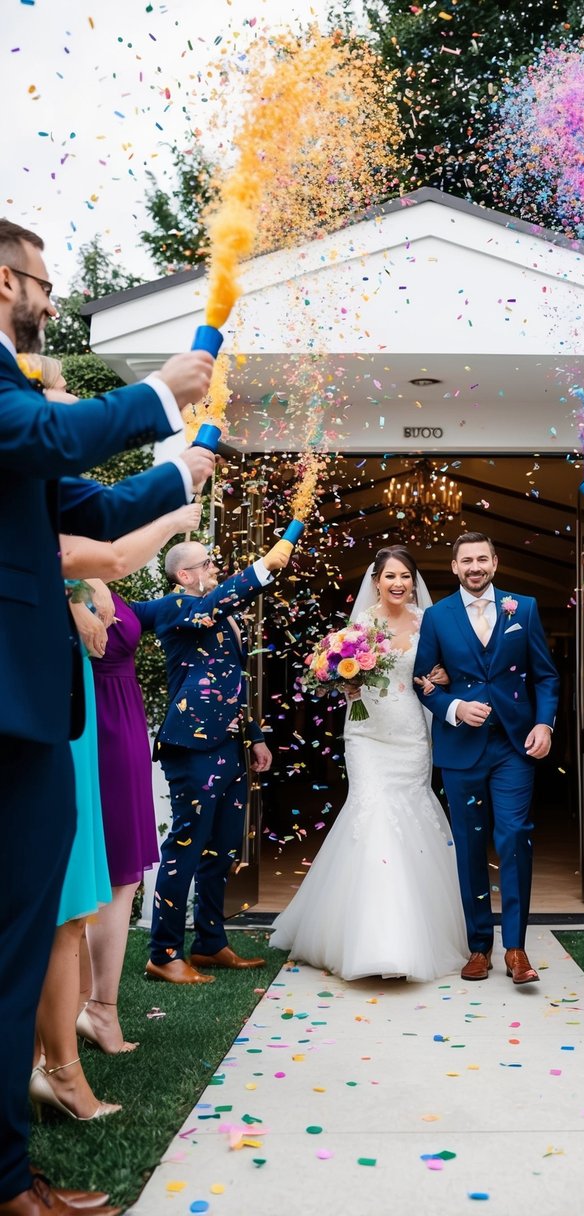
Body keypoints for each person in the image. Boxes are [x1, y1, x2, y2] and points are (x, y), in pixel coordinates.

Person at [0, 218, 212, 1216]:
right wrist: (165, 389)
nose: (50, 298)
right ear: (6, 282)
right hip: (8, 707)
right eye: (42, 281)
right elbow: (49, 437)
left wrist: (182, 472)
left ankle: (8, 1167)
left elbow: (81, 502)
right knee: (14, 943)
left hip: (27, 709)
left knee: (22, 932)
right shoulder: (7, 395)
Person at [270, 546, 468, 982]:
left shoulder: (428, 621)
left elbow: (452, 666)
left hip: (411, 735)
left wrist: (445, 677)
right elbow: (336, 670)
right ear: (376, 580)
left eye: (405, 576)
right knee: (371, 813)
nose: (398, 583)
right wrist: (342, 682)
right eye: (390, 576)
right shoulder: (358, 626)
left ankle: (411, 937)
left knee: (409, 816)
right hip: (365, 735)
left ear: (413, 582)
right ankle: (372, 941)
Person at [133, 539, 292, 984]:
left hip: (230, 746)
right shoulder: (177, 606)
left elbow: (233, 682)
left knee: (222, 849)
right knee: (185, 848)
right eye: (209, 561)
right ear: (185, 575)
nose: (216, 565)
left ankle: (208, 943)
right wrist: (264, 566)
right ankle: (163, 953)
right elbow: (222, 598)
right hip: (192, 748)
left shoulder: (219, 612)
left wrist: (255, 737)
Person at [413, 532, 560, 985]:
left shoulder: (525, 608)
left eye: (482, 558)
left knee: (515, 835)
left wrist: (544, 724)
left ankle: (516, 949)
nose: (475, 567)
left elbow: (546, 677)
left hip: (514, 745)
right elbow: (423, 680)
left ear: (495, 562)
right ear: (454, 567)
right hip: (461, 750)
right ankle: (480, 946)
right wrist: (455, 708)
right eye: (466, 561)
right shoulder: (437, 617)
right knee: (471, 845)